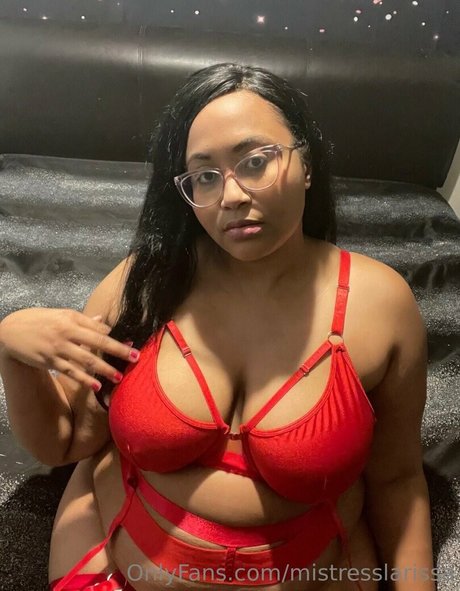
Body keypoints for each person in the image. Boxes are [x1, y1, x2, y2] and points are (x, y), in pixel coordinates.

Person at [0, 62, 435, 591]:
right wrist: (11, 347)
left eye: (255, 162)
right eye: (205, 176)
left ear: (308, 164)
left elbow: (397, 480)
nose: (231, 196)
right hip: (114, 563)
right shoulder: (145, 283)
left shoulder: (381, 305)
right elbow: (66, 442)